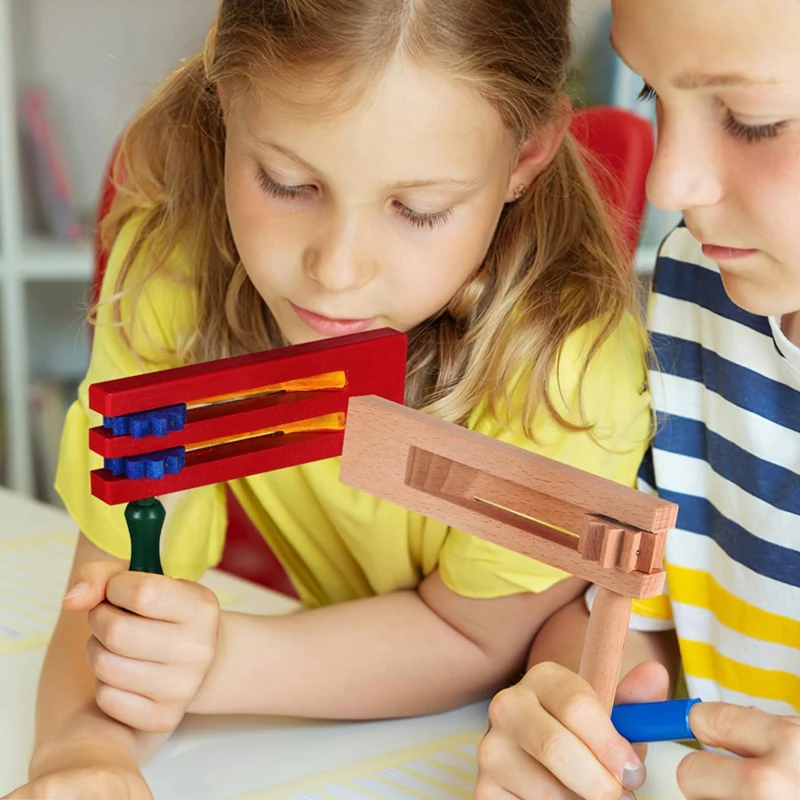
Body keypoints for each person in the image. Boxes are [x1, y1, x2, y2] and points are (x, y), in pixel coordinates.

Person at [4, 1, 654, 798]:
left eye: (418, 210)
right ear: (225, 95)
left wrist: (221, 663)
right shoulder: (172, 271)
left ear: (526, 155)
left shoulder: (569, 376)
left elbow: (476, 636)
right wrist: (83, 751)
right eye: (288, 183)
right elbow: (115, 585)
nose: (337, 270)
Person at [475, 0, 800, 798]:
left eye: (753, 119)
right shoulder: (704, 287)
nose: (666, 181)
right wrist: (566, 709)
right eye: (655, 94)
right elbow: (634, 620)